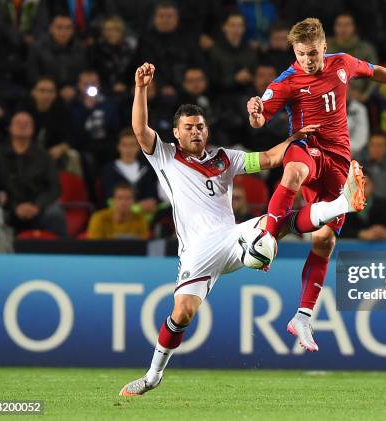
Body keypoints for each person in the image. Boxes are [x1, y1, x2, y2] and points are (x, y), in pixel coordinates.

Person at [119, 62, 366, 396]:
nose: (196, 132)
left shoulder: (224, 159)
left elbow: (265, 159)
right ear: (176, 133)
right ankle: (153, 375)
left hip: (233, 238)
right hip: (197, 251)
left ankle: (340, 204)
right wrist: (140, 88)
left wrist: (293, 141)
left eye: (200, 127)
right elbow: (139, 129)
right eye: (189, 127)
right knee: (183, 312)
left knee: (275, 222)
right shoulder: (165, 156)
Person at [246, 17, 386, 351]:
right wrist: (254, 113)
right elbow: (260, 116)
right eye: (300, 54)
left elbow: (376, 71)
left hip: (339, 161)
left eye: (312, 53)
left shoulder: (344, 64)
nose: (307, 60)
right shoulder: (287, 81)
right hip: (308, 148)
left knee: (324, 241)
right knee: (293, 172)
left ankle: (303, 316)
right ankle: (266, 239)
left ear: (324, 46)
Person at [0, 111, 67, 237]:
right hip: (8, 207)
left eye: (27, 123)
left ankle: (61, 253)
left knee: (55, 214)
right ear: (10, 128)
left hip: (38, 208)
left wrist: (37, 206)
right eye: (18, 123)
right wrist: (13, 206)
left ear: (33, 129)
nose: (23, 126)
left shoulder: (43, 155)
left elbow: (54, 187)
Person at [100, 128, 158, 215]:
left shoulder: (148, 170)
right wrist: (136, 208)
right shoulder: (109, 170)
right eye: (124, 145)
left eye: (132, 145)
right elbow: (110, 199)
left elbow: (152, 198)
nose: (128, 149)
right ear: (118, 147)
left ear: (139, 147)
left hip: (145, 218)